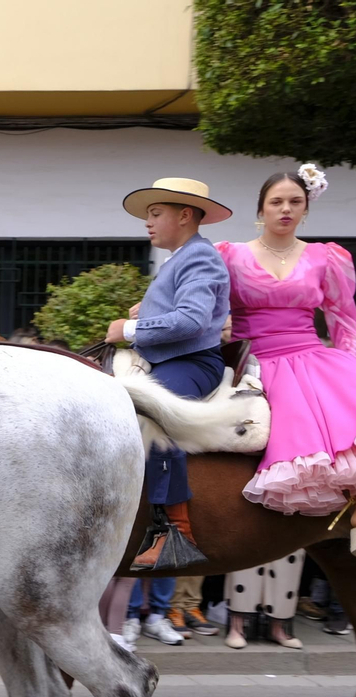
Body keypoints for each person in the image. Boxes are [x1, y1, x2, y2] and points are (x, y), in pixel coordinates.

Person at [217, 167, 356, 559]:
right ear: (261, 209)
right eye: (276, 202)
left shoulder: (325, 256)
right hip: (256, 358)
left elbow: (343, 320)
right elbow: (207, 306)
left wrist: (352, 373)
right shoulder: (229, 255)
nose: (285, 209)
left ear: (305, 209)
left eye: (294, 202)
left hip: (311, 353)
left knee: (351, 413)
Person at [106, 178, 232, 570]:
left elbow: (192, 320)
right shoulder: (181, 256)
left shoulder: (199, 256)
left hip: (193, 363)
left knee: (157, 420)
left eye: (156, 213)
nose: (148, 222)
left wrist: (126, 331)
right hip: (170, 360)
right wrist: (147, 313)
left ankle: (176, 532)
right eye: (148, 215)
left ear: (185, 214)